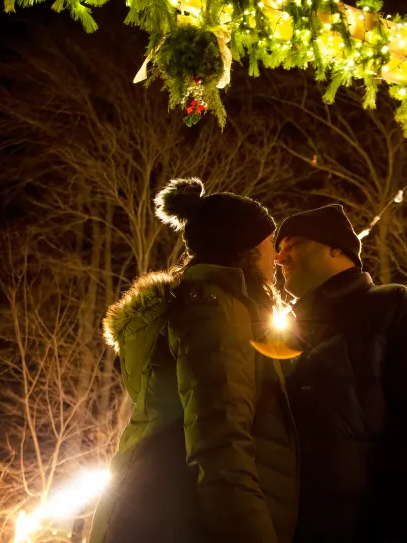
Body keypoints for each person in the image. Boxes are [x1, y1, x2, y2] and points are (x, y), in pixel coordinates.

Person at [88, 177, 297, 543]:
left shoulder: (199, 304)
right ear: (243, 250)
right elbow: (220, 438)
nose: (276, 257)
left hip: (153, 511)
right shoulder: (215, 309)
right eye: (268, 243)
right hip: (180, 519)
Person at [274, 204, 407, 543]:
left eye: (292, 244)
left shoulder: (397, 308)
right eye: (277, 250)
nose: (280, 259)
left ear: (335, 247)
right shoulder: (286, 343)